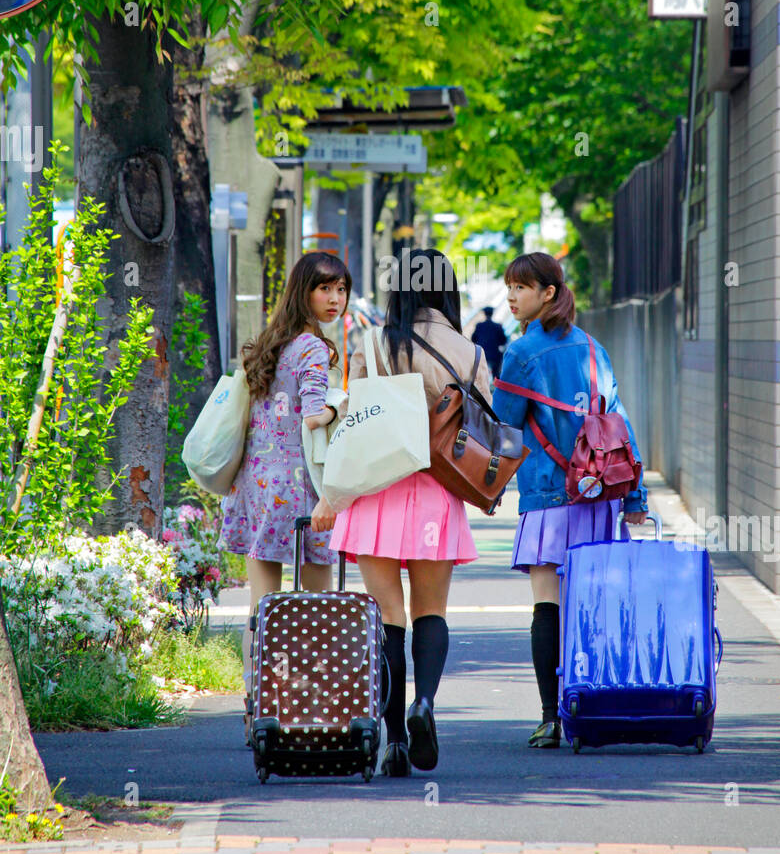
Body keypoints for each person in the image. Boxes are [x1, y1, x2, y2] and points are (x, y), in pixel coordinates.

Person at [311, 247, 491, 777]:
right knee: (430, 613)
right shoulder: (471, 351)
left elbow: (357, 417)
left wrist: (332, 493)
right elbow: (479, 427)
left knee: (387, 619)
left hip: (378, 491)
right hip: (437, 492)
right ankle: (425, 704)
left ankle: (392, 743)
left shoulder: (373, 342)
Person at [491, 251, 648, 748]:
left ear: (549, 293)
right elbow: (617, 423)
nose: (512, 296)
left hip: (548, 496)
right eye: (509, 287)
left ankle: (550, 717)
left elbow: (503, 433)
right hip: (599, 496)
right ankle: (592, 705)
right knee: (591, 603)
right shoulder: (592, 348)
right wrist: (635, 496)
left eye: (521, 287)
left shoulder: (520, 354)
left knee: (547, 606)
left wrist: (484, 484)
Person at [219, 251, 351, 723]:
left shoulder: (268, 344)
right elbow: (314, 413)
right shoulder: (314, 349)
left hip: (255, 487)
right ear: (305, 291)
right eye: (325, 289)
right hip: (299, 491)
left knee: (264, 605)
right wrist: (341, 406)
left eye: (340, 290)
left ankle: (259, 701)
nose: (335, 299)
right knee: (316, 605)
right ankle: (313, 704)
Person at [472, 305, 507, 378]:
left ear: (484, 314)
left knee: (478, 374)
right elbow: (503, 341)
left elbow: (473, 339)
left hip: (480, 355)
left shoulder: (479, 326)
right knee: (496, 371)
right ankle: (496, 380)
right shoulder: (498, 326)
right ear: (492, 314)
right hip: (494, 356)